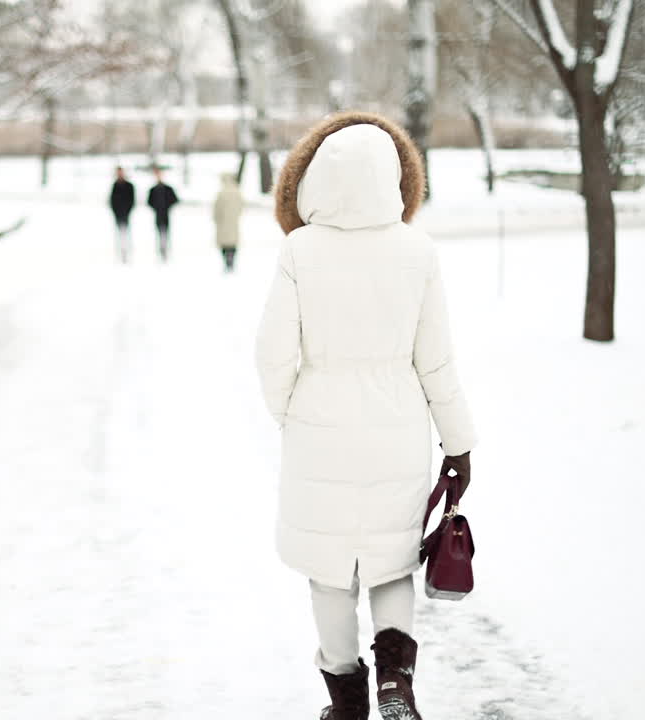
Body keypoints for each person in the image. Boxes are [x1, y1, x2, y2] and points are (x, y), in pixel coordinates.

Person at [254, 112, 476, 720]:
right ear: (396, 179)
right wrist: (457, 444)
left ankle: (347, 702)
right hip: (398, 426)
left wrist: (291, 414)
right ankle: (396, 685)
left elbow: (273, 353)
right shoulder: (417, 250)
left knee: (330, 574)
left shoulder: (299, 250)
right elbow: (437, 359)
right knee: (392, 560)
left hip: (318, 427)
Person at [146, 166, 179, 262]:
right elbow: (149, 202)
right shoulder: (153, 189)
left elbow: (174, 200)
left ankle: (166, 250)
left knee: (166, 233)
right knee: (159, 233)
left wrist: (167, 206)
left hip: (165, 214)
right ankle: (160, 250)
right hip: (157, 214)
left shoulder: (168, 188)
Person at [212, 173, 244, 272]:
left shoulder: (221, 192)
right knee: (233, 242)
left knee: (224, 243)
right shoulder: (237, 191)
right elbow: (242, 206)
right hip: (234, 222)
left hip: (222, 222)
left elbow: (217, 208)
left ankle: (226, 260)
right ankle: (231, 260)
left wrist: (216, 219)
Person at [109, 166, 136, 263]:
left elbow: (132, 201)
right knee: (119, 234)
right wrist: (115, 212)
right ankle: (120, 252)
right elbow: (111, 201)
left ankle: (127, 252)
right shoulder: (115, 185)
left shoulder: (129, 186)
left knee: (126, 233)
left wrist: (128, 211)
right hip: (118, 214)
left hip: (126, 214)